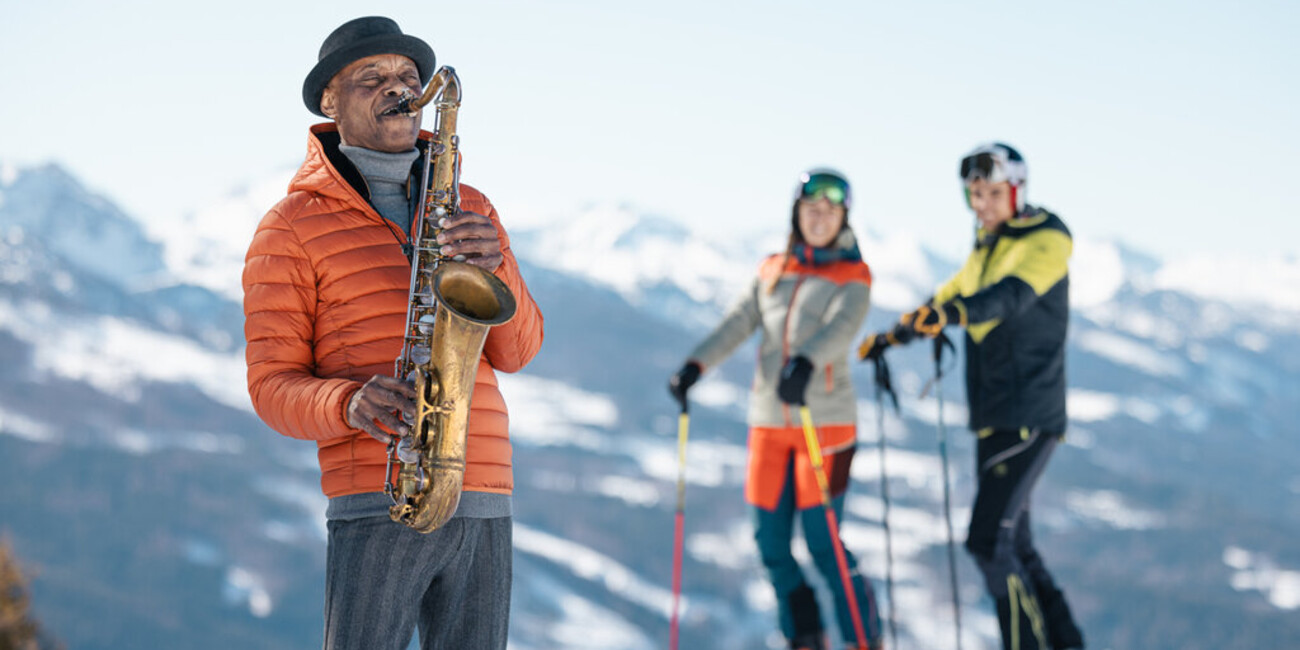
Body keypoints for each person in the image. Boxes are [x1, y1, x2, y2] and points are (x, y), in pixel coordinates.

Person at [242, 16, 543, 650]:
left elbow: (519, 351)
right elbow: (270, 387)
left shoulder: (472, 205)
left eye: (408, 75)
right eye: (372, 77)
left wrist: (498, 267)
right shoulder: (289, 227)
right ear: (330, 100)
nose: (398, 87)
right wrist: (347, 403)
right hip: (381, 492)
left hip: (483, 492)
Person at [860, 143, 1083, 650]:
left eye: (992, 194)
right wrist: (893, 338)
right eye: (974, 195)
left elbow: (1005, 298)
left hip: (1026, 414)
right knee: (1015, 544)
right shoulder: (987, 247)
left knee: (988, 541)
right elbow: (948, 297)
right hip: (997, 414)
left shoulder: (1045, 242)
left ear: (1016, 191)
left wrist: (952, 314)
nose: (982, 205)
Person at [669, 169, 882, 650]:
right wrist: (695, 365)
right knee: (770, 546)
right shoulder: (772, 269)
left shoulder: (854, 276)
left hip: (826, 427)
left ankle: (864, 639)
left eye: (830, 211)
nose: (819, 218)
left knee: (824, 544)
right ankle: (805, 637)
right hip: (768, 424)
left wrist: (806, 363)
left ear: (844, 218)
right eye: (811, 209)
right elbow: (738, 322)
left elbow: (842, 329)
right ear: (796, 213)